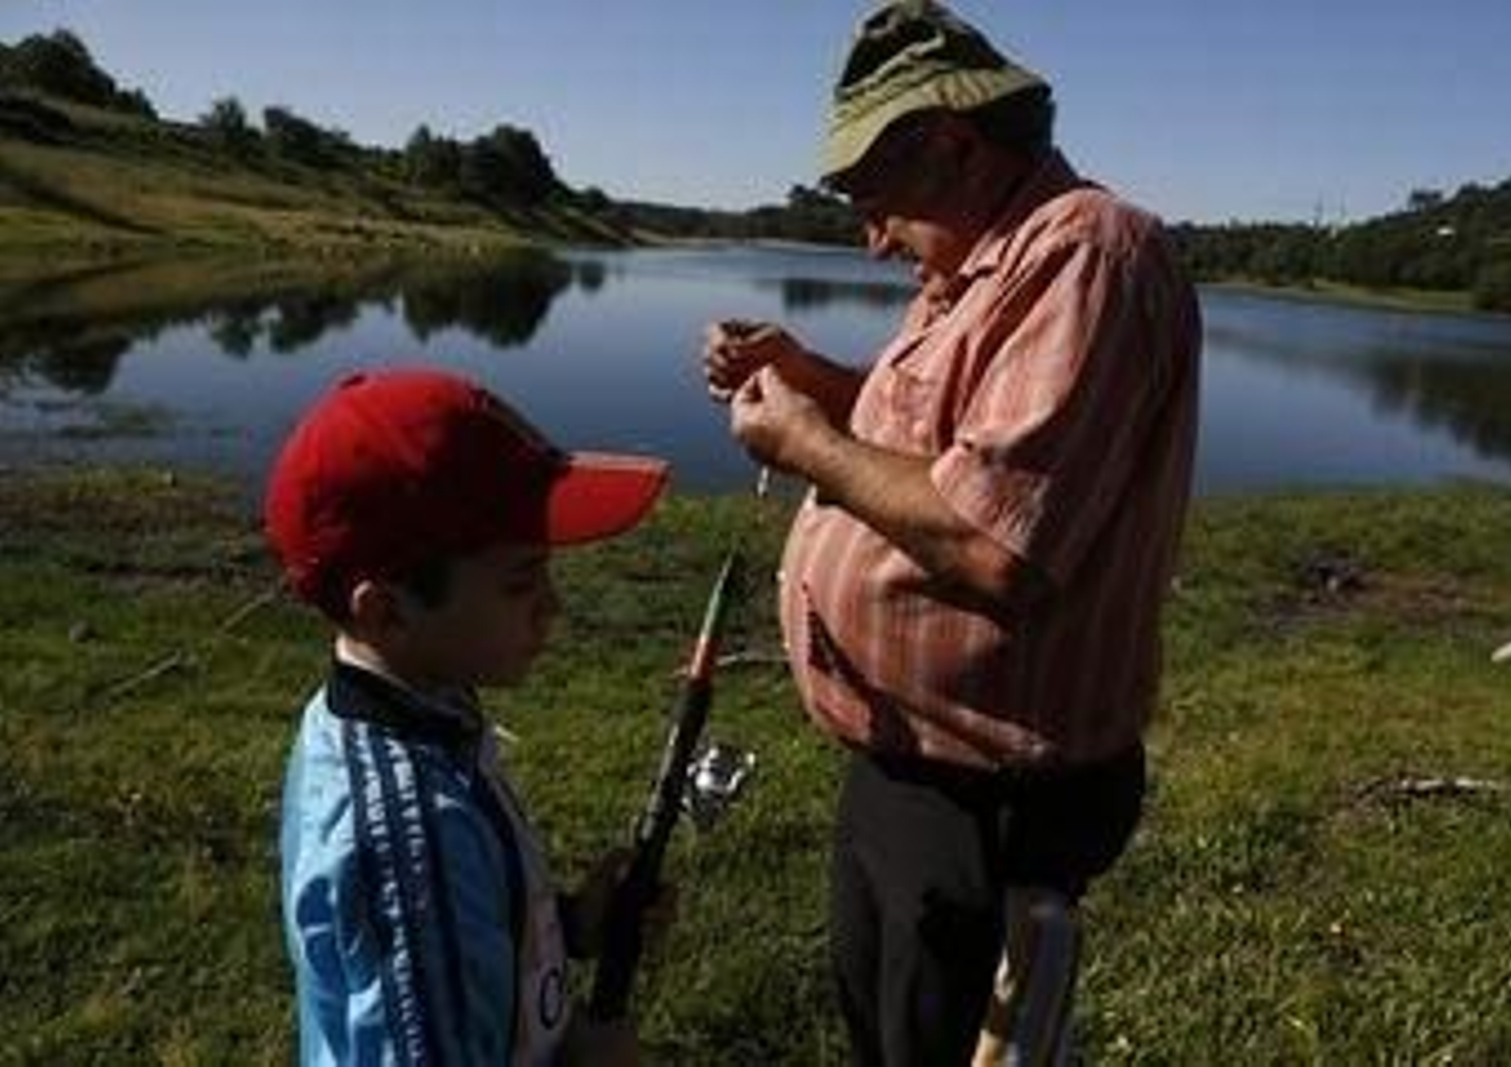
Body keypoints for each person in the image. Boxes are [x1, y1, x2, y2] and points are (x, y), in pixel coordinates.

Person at [702, 3, 1201, 1064]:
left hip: (993, 798)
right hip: (903, 766)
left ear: (950, 145)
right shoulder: (967, 269)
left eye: (869, 198)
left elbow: (995, 543)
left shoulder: (1088, 256)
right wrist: (815, 382)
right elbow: (939, 450)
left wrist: (802, 445)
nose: (870, 235)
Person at [265, 367, 671, 1066]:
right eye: (520, 582)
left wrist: (567, 925)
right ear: (387, 610)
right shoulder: (407, 841)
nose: (553, 606)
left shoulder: (426, 703)